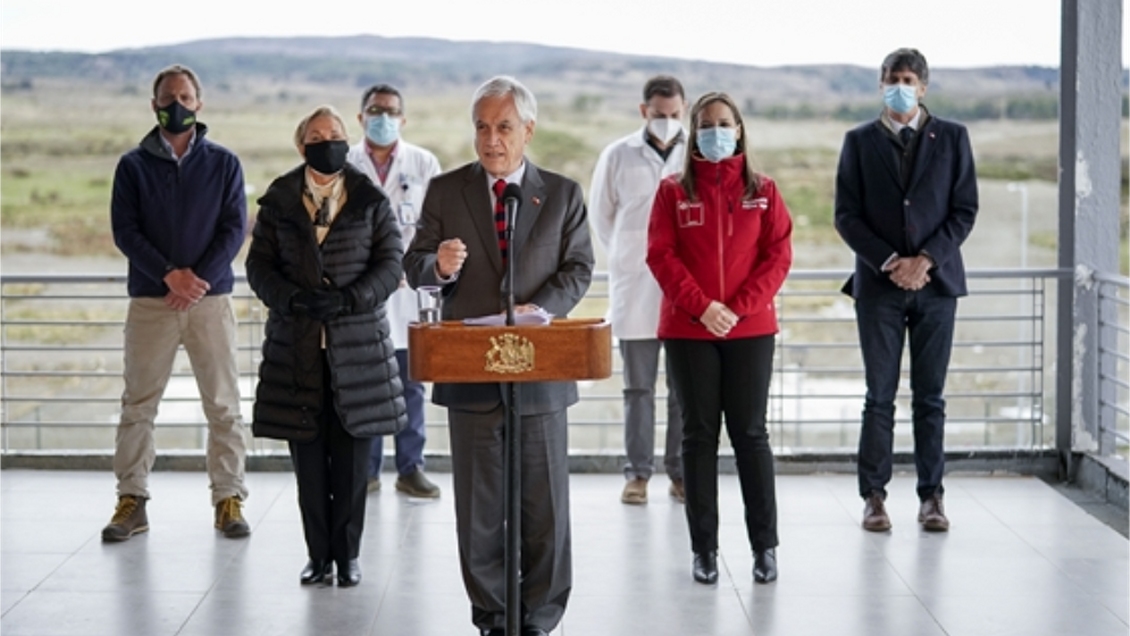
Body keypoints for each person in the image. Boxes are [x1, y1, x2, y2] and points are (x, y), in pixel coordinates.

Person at [404, 75, 594, 636]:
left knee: (545, 509)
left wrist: (541, 309)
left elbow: (578, 267)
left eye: (504, 127)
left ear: (527, 131)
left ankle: (537, 618)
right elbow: (414, 266)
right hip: (471, 376)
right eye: (482, 127)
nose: (491, 139)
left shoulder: (561, 194)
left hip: (541, 373)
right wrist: (438, 267)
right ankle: (491, 617)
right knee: (480, 510)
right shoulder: (445, 191)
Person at [246, 105, 407, 587]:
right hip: (297, 351)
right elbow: (259, 267)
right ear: (302, 146)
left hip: (358, 351)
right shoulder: (278, 200)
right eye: (317, 135)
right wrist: (293, 299)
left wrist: (350, 299)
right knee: (310, 464)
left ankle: (349, 556)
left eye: (335, 134)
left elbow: (391, 261)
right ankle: (318, 557)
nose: (328, 141)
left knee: (354, 463)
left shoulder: (370, 198)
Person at [647, 91, 792, 586]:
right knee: (698, 436)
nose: (716, 131)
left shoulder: (765, 192)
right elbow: (661, 257)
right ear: (693, 133)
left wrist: (736, 309)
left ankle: (764, 548)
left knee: (751, 435)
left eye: (724, 123)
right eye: (706, 124)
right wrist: (704, 307)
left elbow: (778, 257)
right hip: (690, 329)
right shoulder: (672, 192)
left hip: (750, 330)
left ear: (739, 130)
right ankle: (704, 550)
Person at [103, 64, 250, 543]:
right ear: (154, 104)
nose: (177, 105)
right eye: (169, 97)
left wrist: (197, 279)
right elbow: (125, 231)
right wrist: (169, 274)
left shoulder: (224, 164)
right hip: (152, 300)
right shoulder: (132, 166)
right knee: (138, 404)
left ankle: (228, 499)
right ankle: (132, 500)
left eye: (186, 97)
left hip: (210, 300)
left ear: (199, 103)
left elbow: (234, 228)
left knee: (224, 405)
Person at [833, 47, 978, 534]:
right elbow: (846, 216)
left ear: (923, 87)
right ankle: (874, 497)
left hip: (937, 287)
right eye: (894, 78)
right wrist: (892, 262)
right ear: (881, 84)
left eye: (910, 78)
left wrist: (926, 261)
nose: (901, 85)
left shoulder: (953, 138)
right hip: (879, 286)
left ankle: (932, 497)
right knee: (879, 396)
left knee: (930, 397)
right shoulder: (857, 142)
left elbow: (964, 210)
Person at [590, 75, 688, 506]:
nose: (666, 122)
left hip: (685, 289)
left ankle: (681, 473)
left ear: (684, 111)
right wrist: (630, 256)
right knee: (638, 389)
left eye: (674, 115)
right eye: (659, 114)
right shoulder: (618, 155)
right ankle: (638, 475)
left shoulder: (696, 153)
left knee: (684, 390)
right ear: (643, 110)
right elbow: (601, 216)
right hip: (635, 284)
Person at [346, 83, 443, 499]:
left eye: (390, 111)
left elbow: (438, 223)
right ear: (361, 116)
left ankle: (410, 467)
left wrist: (413, 264)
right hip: (361, 290)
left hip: (407, 291)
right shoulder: (346, 163)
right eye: (374, 110)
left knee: (410, 385)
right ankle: (365, 470)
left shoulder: (423, 163)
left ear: (403, 119)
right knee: (366, 384)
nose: (382, 117)